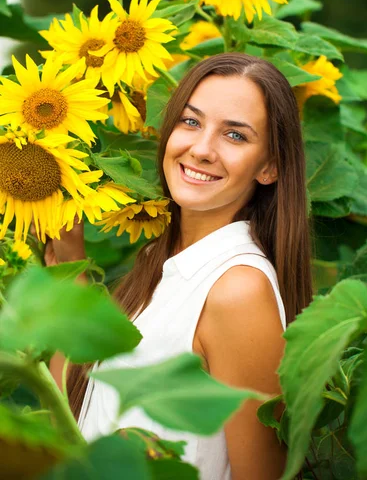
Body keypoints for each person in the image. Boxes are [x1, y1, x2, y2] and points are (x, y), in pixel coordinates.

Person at [45, 53, 313, 480]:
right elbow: (79, 412)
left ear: (270, 166)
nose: (201, 149)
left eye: (235, 136)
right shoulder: (162, 261)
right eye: (191, 122)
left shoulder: (237, 291)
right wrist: (68, 266)